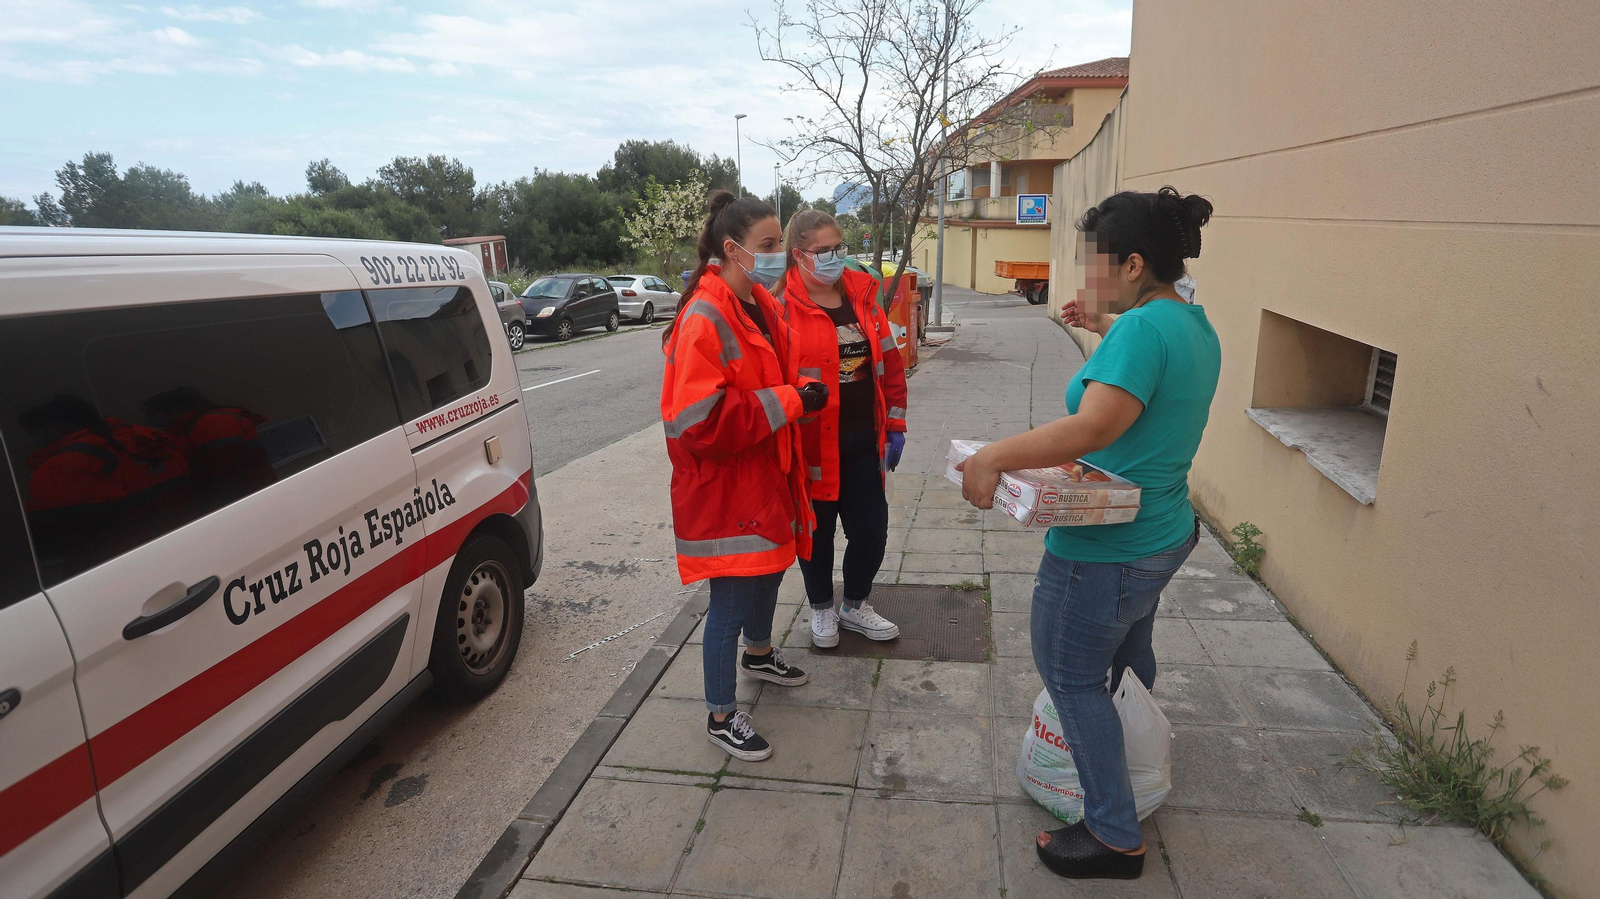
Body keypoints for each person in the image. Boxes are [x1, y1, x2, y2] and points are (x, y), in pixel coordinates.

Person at [957, 186, 1219, 880]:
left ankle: (1112, 832)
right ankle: (1133, 762)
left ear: (1133, 263)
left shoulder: (1140, 331)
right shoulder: (1191, 324)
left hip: (1106, 549)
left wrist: (993, 455)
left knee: (1073, 678)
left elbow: (1093, 426)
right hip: (1162, 531)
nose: (1088, 276)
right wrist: (1103, 325)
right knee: (1129, 659)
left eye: (1096, 262)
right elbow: (1147, 392)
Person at [660, 190, 829, 761]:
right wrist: (790, 400)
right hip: (727, 486)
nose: (781, 254)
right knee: (729, 599)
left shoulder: (756, 300)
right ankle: (720, 713)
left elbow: (767, 375)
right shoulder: (704, 316)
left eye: (780, 243)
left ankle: (759, 655)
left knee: (767, 572)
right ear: (733, 249)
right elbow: (699, 423)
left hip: (762, 474)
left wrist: (797, 393)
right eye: (771, 245)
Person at [775, 210, 908, 647]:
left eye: (839, 248)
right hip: (811, 444)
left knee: (871, 529)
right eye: (824, 251)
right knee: (817, 533)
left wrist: (895, 423)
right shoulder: (781, 309)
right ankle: (821, 609)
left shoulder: (863, 297)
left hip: (862, 440)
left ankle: (855, 604)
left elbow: (888, 364)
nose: (835, 258)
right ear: (799, 255)